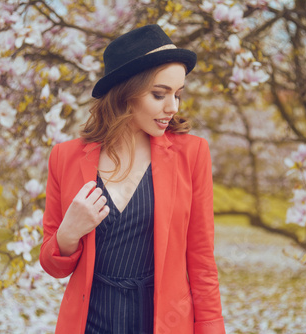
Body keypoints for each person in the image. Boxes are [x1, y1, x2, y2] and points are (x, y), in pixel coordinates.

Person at [40, 24, 225, 334]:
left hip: (160, 321)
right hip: (91, 322)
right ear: (126, 93)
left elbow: (202, 261)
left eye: (177, 95)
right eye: (159, 94)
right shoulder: (65, 157)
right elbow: (53, 264)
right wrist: (68, 234)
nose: (172, 107)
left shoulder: (192, 155)